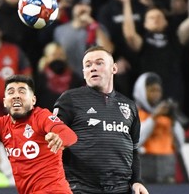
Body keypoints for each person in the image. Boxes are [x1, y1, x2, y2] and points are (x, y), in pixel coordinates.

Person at [53, 46, 149, 194]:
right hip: (80, 189)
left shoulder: (129, 106)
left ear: (114, 68)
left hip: (121, 189)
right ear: (84, 73)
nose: (93, 68)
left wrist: (137, 181)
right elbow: (54, 140)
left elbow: (134, 150)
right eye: (88, 65)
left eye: (99, 63)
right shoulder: (70, 100)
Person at [121, 0, 189, 111]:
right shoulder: (143, 41)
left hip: (173, 93)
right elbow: (129, 34)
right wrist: (126, 2)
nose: (156, 19)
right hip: (149, 92)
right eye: (151, 18)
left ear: (166, 22)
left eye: (159, 17)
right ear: (145, 24)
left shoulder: (175, 37)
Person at [132, 72, 185, 184]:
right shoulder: (134, 113)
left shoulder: (165, 113)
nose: (156, 94)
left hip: (167, 168)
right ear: (141, 91)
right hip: (145, 168)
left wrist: (174, 121)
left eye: (158, 91)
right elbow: (136, 141)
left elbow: (180, 143)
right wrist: (154, 117)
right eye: (152, 90)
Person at [53, 0, 114, 78]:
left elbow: (108, 50)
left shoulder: (98, 28)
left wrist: (93, 25)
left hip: (93, 77)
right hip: (69, 79)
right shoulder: (60, 30)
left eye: (87, 5)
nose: (84, 8)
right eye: (80, 4)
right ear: (73, 8)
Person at [35, 42, 84, 111]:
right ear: (47, 58)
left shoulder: (76, 79)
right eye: (54, 55)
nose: (58, 58)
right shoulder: (39, 80)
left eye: (60, 55)